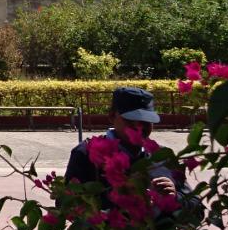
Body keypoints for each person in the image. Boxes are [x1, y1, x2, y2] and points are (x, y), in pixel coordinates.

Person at [65, 87, 190, 221]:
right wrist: (121, 201)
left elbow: (196, 206)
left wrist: (176, 198)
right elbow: (66, 205)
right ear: (112, 116)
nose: (139, 127)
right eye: (130, 120)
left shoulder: (162, 156)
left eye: (146, 121)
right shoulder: (87, 154)